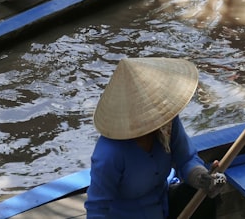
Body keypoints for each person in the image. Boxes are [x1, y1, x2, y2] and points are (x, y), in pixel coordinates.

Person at [85, 57, 226, 219]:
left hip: (162, 205)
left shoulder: (167, 124)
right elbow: (97, 208)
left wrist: (201, 177)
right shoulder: (110, 152)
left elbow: (186, 160)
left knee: (200, 196)